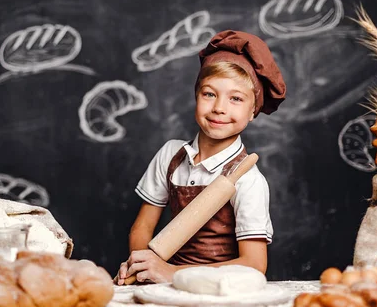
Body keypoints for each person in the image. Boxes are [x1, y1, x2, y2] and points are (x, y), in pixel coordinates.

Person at [115, 30, 286, 284]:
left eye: (236, 99)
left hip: (221, 289)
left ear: (253, 111)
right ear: (196, 95)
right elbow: (142, 228)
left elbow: (253, 265)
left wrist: (170, 273)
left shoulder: (248, 180)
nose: (219, 107)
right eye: (209, 94)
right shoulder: (170, 155)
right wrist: (141, 266)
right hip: (165, 285)